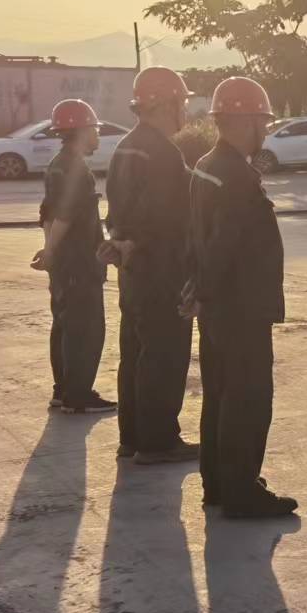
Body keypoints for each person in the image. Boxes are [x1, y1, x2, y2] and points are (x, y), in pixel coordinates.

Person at [188, 76, 298, 519]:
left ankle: (219, 483)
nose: (265, 130)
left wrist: (198, 288)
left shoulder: (206, 164)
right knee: (247, 395)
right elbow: (224, 242)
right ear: (245, 121)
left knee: (220, 393)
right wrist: (204, 288)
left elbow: (198, 236)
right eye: (262, 121)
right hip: (241, 305)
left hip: (218, 305)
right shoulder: (235, 175)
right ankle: (240, 492)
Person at [106, 66, 197, 464]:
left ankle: (134, 436)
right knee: (164, 353)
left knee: (136, 351)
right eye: (183, 102)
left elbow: (120, 209)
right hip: (161, 268)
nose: (186, 111)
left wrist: (124, 243)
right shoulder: (161, 152)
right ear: (166, 104)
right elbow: (164, 216)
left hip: (134, 270)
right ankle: (158, 441)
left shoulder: (126, 146)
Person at [31, 99, 113, 414]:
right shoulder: (76, 169)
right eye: (94, 129)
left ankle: (63, 390)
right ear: (82, 130)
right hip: (78, 262)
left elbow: (48, 213)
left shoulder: (57, 164)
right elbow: (64, 215)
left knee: (64, 325)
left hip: (64, 264)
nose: (97, 135)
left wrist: (49, 249)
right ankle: (78, 395)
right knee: (84, 328)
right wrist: (51, 251)